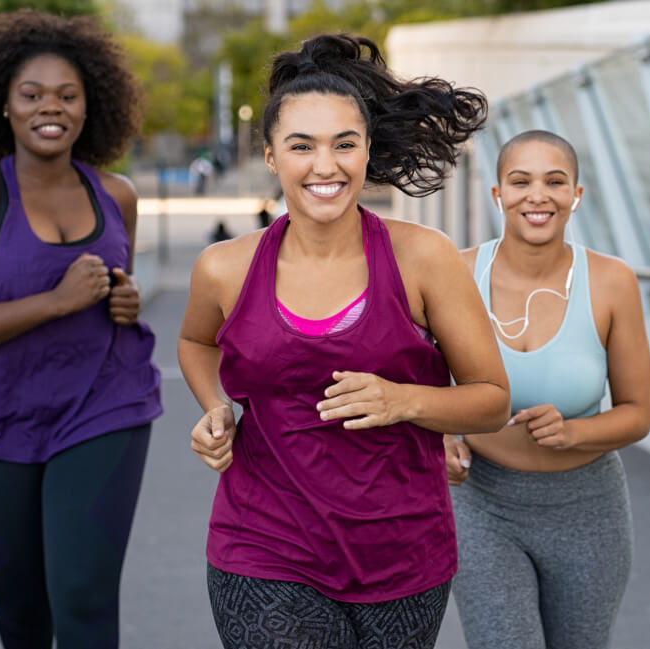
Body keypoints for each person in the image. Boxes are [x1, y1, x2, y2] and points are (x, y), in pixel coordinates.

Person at [178, 33, 510, 649]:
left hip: (402, 553)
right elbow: (198, 343)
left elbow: (492, 400)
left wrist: (404, 401)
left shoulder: (423, 259)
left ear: (366, 152)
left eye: (344, 145)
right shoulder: (224, 267)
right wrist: (215, 407)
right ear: (273, 156)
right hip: (262, 543)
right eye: (302, 146)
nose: (324, 166)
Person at [0, 10, 161, 649]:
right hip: (1, 420)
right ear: (2, 105)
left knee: (83, 598)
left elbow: (113, 288)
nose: (49, 108)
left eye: (67, 95)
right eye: (31, 94)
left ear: (89, 107)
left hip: (105, 408)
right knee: (24, 612)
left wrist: (124, 301)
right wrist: (54, 302)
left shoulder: (117, 194)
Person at [444, 130, 650, 649]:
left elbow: (638, 413)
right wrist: (439, 436)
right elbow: (419, 381)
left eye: (554, 182)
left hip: (589, 509)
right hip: (482, 505)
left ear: (575, 196)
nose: (537, 195)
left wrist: (574, 432)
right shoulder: (456, 274)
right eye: (520, 182)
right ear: (498, 195)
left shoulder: (611, 282)